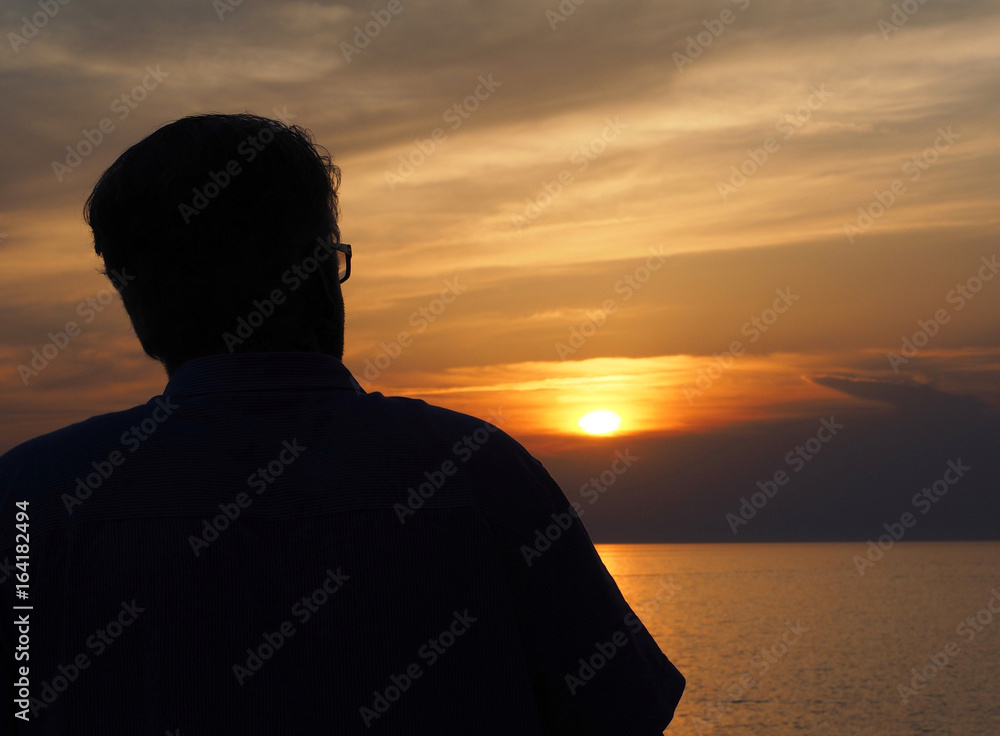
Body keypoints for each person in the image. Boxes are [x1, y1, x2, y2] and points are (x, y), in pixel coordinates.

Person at [0, 113, 684, 734]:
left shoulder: (27, 496)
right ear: (321, 271)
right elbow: (620, 714)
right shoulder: (482, 476)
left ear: (137, 300)